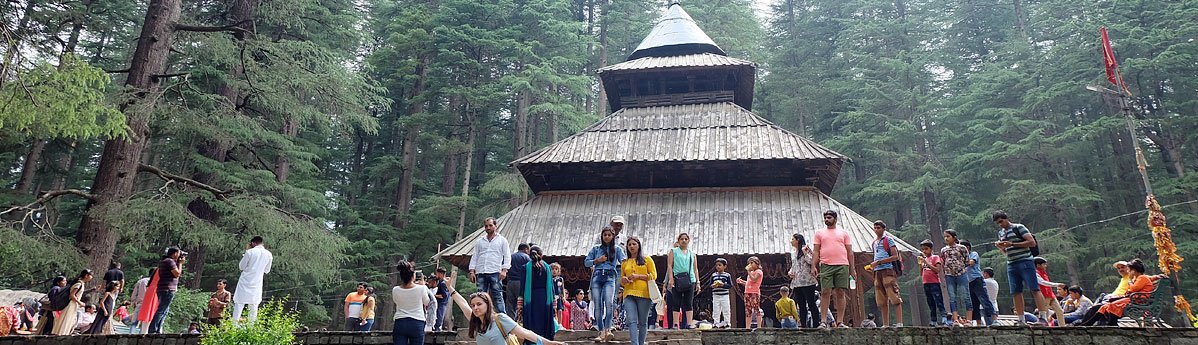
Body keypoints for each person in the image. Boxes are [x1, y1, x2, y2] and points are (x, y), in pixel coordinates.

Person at [442, 284, 566, 345]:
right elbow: (463, 304)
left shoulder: (500, 319)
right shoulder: (476, 321)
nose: (475, 308)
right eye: (473, 305)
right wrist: (450, 288)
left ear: (487, 304)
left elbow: (526, 333)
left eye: (479, 304)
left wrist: (550, 343)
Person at [993, 211, 1046, 325]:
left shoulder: (1019, 227)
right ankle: (1021, 319)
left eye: (1001, 221)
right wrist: (1001, 247)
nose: (1000, 224)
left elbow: (1031, 242)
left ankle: (1043, 318)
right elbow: (1005, 252)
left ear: (1006, 218)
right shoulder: (1001, 233)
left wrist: (1012, 244)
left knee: (1034, 289)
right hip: (1011, 263)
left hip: (1025, 261)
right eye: (998, 223)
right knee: (1016, 292)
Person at [1079, 259, 1159, 326]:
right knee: (1105, 306)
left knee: (1113, 305)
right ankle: (1087, 324)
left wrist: (1130, 282)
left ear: (1134, 271)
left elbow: (1134, 289)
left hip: (1136, 300)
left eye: (1129, 269)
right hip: (1131, 299)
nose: (1128, 271)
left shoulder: (1141, 278)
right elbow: (1145, 281)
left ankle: (1110, 324)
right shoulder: (1137, 278)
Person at [812, 210, 855, 327]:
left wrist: (852, 269)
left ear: (835, 219)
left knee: (840, 292)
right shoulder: (819, 233)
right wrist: (813, 265)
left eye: (829, 217)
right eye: (825, 217)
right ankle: (823, 321)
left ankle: (840, 321)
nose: (827, 219)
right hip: (826, 265)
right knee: (825, 292)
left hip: (842, 265)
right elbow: (816, 251)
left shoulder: (844, 233)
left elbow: (850, 252)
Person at [585, 226, 625, 341]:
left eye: (609, 235)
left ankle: (608, 329)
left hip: (610, 276)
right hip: (597, 276)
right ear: (602, 236)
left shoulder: (617, 249)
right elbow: (586, 262)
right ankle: (601, 331)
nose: (607, 237)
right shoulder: (596, 249)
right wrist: (597, 261)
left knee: (609, 303)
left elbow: (624, 262)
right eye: (605, 235)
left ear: (613, 236)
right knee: (597, 305)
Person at [469, 217, 511, 315]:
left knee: (497, 296)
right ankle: (481, 317)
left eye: (490, 225)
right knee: (480, 296)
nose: (488, 227)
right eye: (486, 226)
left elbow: (507, 256)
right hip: (481, 271)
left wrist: (504, 270)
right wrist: (472, 271)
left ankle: (503, 318)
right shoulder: (480, 241)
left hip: (495, 271)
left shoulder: (502, 240)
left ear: (495, 226)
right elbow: (475, 256)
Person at [620, 236, 657, 345]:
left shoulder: (647, 259)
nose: (631, 246)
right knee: (631, 321)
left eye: (634, 244)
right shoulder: (625, 262)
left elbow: (653, 275)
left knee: (642, 322)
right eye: (629, 244)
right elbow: (622, 280)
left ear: (639, 246)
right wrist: (624, 280)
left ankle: (641, 343)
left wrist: (638, 276)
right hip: (628, 294)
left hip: (644, 294)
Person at [868, 221, 903, 327]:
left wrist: (879, 262)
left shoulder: (888, 240)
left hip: (888, 270)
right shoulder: (874, 243)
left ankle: (899, 322)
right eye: (875, 228)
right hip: (877, 272)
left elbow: (895, 256)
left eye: (878, 228)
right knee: (881, 299)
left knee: (894, 296)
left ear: (883, 229)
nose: (876, 230)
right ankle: (886, 324)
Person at [232, 235, 273, 327]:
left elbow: (241, 266)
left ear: (253, 243)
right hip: (257, 282)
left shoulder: (249, 252)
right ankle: (251, 327)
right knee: (254, 306)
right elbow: (267, 270)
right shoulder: (269, 254)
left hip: (245, 281)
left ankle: (234, 326)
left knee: (239, 303)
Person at [520, 246, 556, 343]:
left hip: (531, 299)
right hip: (545, 298)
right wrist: (555, 303)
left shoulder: (526, 267)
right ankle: (545, 342)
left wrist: (519, 304)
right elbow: (551, 287)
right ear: (542, 254)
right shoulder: (547, 267)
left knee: (532, 322)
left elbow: (522, 287)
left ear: (530, 255)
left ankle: (532, 342)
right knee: (544, 322)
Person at [392, 261, 431, 345]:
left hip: (400, 322)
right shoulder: (422, 288)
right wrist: (424, 286)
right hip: (417, 322)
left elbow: (396, 301)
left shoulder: (395, 289)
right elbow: (426, 302)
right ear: (413, 276)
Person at [666, 232, 699, 330]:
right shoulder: (673, 251)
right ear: (678, 240)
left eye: (686, 239)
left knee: (689, 302)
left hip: (690, 279)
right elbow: (669, 265)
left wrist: (698, 282)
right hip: (677, 279)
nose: (684, 241)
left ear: (688, 241)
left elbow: (695, 268)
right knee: (676, 301)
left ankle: (689, 323)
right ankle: (676, 324)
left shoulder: (692, 254)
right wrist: (671, 278)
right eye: (682, 239)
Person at [149, 247, 185, 333]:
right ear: (175, 253)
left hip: (163, 288)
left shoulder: (165, 261)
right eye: (179, 253)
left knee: (165, 310)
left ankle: (158, 329)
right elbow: (177, 274)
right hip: (168, 289)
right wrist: (180, 264)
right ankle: (152, 330)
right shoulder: (170, 261)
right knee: (162, 310)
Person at [940, 229, 971, 324]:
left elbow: (967, 260)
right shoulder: (943, 250)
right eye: (945, 236)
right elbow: (943, 261)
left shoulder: (962, 248)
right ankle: (955, 319)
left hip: (961, 274)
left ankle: (969, 319)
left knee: (966, 296)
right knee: (952, 297)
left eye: (948, 236)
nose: (946, 238)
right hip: (949, 275)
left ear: (954, 237)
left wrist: (960, 268)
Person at [961, 240, 995, 326]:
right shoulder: (961, 258)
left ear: (967, 248)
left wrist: (960, 263)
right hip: (968, 282)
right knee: (973, 304)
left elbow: (971, 262)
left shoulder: (973, 254)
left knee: (984, 300)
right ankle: (978, 323)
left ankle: (994, 319)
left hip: (977, 280)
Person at [788, 233, 818, 328]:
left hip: (808, 281)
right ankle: (803, 325)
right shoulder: (793, 253)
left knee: (811, 303)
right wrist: (790, 272)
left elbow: (811, 262)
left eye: (793, 239)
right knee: (801, 305)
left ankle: (816, 324)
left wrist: (805, 254)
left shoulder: (806, 249)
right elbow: (794, 266)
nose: (791, 241)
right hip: (797, 282)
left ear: (798, 240)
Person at [53, 269, 92, 335]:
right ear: (86, 275)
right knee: (66, 320)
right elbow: (72, 295)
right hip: (71, 304)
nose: (91, 277)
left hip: (74, 305)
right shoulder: (79, 284)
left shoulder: (81, 283)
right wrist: (80, 302)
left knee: (70, 320)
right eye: (91, 275)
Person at [918, 240, 947, 326]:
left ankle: (944, 316)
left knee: (938, 300)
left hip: (934, 282)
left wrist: (927, 263)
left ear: (931, 249)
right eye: (923, 249)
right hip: (926, 283)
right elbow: (921, 273)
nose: (924, 251)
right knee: (930, 302)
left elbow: (937, 270)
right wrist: (920, 265)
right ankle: (933, 320)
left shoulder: (935, 257)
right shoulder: (924, 259)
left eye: (926, 249)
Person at [1033, 257, 1066, 325]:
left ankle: (1063, 326)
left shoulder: (1044, 273)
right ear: (1038, 265)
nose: (1045, 266)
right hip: (1044, 296)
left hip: (1051, 295)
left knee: (1059, 311)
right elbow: (1043, 282)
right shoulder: (1035, 273)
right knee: (1044, 313)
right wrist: (1057, 284)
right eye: (1044, 264)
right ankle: (1045, 327)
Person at [736, 256, 764, 329]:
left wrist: (748, 272)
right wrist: (741, 281)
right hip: (747, 292)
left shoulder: (759, 272)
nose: (750, 265)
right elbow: (749, 283)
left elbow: (754, 280)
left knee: (756, 309)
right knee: (748, 310)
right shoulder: (751, 273)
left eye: (752, 263)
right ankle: (748, 327)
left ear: (757, 263)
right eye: (749, 263)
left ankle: (759, 326)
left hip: (754, 292)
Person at [506, 243, 532, 316]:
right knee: (522, 302)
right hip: (521, 283)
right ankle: (523, 321)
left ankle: (511, 322)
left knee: (510, 303)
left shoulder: (511, 257)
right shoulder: (526, 257)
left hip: (510, 282)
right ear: (526, 249)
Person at [136, 268, 161, 334]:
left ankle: (144, 332)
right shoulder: (157, 281)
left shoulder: (150, 282)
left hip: (150, 294)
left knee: (147, 315)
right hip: (154, 293)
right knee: (151, 314)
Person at [710, 258, 732, 328]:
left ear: (724, 266)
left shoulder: (727, 275)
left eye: (720, 265)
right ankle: (716, 323)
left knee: (726, 309)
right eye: (716, 265)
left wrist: (723, 285)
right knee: (716, 309)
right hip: (716, 295)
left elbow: (730, 285)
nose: (718, 267)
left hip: (724, 295)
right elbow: (710, 284)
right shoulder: (713, 275)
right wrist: (713, 285)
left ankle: (727, 322)